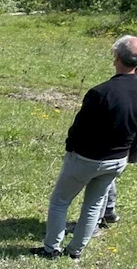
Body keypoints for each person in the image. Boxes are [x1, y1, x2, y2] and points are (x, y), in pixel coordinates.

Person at [31, 35, 137, 261]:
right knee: (94, 205)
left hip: (87, 159)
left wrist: (71, 150)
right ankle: (75, 252)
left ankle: (51, 250)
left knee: (60, 201)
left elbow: (78, 129)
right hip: (118, 160)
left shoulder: (100, 92)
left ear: (116, 58)